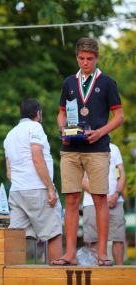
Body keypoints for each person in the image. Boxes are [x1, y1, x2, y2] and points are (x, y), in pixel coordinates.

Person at [52, 37, 124, 266]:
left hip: (98, 149)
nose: (85, 63)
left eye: (89, 59)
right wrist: (62, 127)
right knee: (71, 200)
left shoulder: (108, 83)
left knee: (99, 198)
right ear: (76, 57)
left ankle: (102, 253)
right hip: (71, 148)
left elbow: (119, 117)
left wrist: (100, 132)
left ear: (97, 58)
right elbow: (61, 113)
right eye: (81, 58)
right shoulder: (68, 83)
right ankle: (70, 254)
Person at [4, 99, 62, 263]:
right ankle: (55, 279)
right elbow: (37, 157)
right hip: (37, 188)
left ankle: (12, 278)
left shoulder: (10, 134)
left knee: (16, 237)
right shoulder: (35, 127)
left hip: (16, 191)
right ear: (38, 113)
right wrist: (50, 188)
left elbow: (9, 172)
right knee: (53, 233)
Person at [82, 143, 126, 265]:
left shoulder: (114, 148)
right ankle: (97, 276)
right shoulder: (84, 148)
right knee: (94, 240)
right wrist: (103, 196)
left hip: (115, 201)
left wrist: (116, 194)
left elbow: (121, 174)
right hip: (92, 202)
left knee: (118, 238)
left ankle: (120, 275)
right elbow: (82, 179)